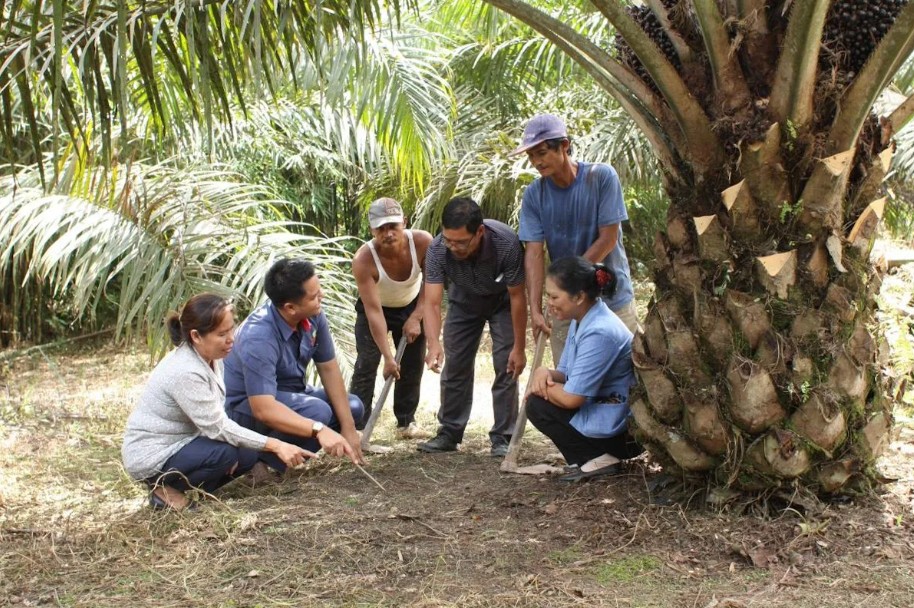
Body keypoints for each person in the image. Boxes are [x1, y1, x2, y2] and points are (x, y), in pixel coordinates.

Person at [122, 294, 311, 511]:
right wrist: (277, 445)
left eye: (232, 329)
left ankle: (198, 486)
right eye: (222, 334)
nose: (231, 338)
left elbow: (216, 418)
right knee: (225, 453)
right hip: (153, 454)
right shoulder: (185, 371)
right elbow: (219, 427)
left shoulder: (211, 356)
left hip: (186, 441)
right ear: (196, 336)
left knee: (246, 453)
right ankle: (162, 489)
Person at [512, 113, 640, 364]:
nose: (537, 162)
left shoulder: (601, 177)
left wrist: (568, 281)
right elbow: (534, 253)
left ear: (565, 146)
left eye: (542, 152)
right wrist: (536, 310)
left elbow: (608, 239)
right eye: (531, 156)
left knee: (623, 380)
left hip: (612, 297)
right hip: (567, 306)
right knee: (569, 379)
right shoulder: (534, 195)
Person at [223, 258, 365, 472]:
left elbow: (328, 368)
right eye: (314, 296)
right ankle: (261, 460)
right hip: (246, 409)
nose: (322, 297)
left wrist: (349, 428)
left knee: (352, 408)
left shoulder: (314, 315)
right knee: (318, 412)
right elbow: (263, 409)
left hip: (290, 395)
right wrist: (318, 429)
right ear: (290, 307)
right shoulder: (258, 336)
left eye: (320, 290)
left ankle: (277, 457)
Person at [418, 197, 527, 457]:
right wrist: (433, 343)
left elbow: (517, 297)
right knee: (455, 364)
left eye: (461, 242)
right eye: (448, 240)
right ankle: (449, 432)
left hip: (502, 301)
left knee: (506, 363)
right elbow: (432, 303)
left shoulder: (506, 242)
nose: (453, 247)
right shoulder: (436, 249)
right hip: (463, 299)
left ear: (479, 232)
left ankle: (503, 435)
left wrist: (520, 348)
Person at [526, 257, 643, 482]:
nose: (548, 303)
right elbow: (566, 373)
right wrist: (544, 373)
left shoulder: (600, 330)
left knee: (537, 404)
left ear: (579, 297)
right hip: (603, 413)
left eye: (553, 296)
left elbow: (572, 399)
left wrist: (541, 388)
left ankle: (599, 459)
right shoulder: (582, 319)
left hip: (622, 431)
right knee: (539, 401)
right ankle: (593, 458)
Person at [349, 198, 433, 439]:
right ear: (371, 230)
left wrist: (417, 316)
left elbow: (432, 282)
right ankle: (356, 427)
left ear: (404, 223)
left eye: (393, 226)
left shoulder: (423, 242)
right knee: (367, 362)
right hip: (375, 309)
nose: (387, 233)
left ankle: (406, 423)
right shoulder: (364, 259)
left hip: (413, 305)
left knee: (412, 363)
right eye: (380, 228)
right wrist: (387, 357)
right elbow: (374, 311)